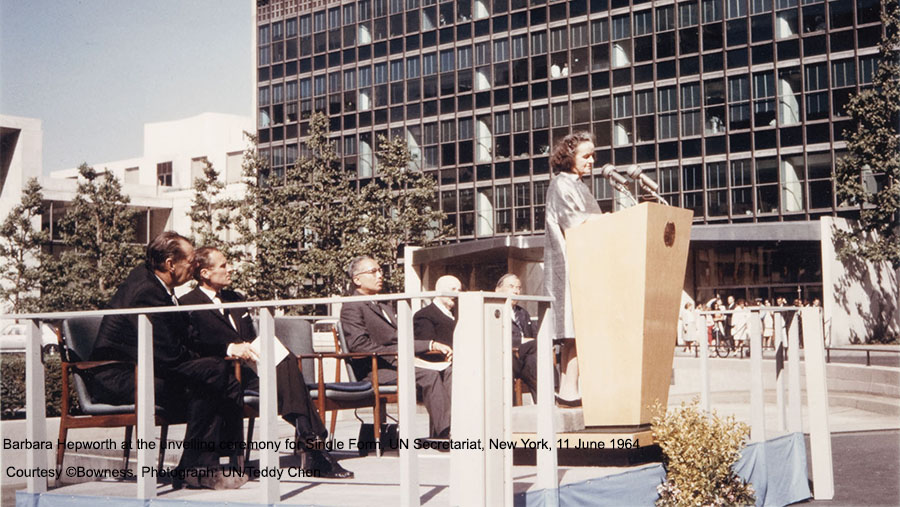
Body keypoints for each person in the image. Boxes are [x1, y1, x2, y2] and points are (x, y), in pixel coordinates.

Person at [89, 231, 247, 490]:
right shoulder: (146, 291)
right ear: (170, 264)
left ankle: (201, 467)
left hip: (145, 369)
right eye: (192, 260)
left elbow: (183, 341)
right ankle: (195, 469)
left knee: (223, 380)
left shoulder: (157, 284)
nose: (195, 266)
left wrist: (217, 353)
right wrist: (209, 359)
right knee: (214, 375)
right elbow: (170, 353)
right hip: (120, 377)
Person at [179, 247, 352, 479]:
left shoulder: (236, 299)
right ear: (205, 273)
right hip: (223, 375)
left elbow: (250, 336)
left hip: (250, 370)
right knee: (292, 383)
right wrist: (230, 349)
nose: (230, 269)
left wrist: (253, 348)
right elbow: (193, 346)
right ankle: (313, 447)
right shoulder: (187, 304)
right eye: (223, 266)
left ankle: (308, 438)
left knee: (285, 359)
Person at [339, 255, 453, 438]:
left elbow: (399, 338)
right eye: (373, 272)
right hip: (377, 368)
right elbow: (359, 345)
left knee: (449, 370)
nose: (380, 275)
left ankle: (442, 429)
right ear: (357, 279)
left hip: (399, 362)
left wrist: (431, 344)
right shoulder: (352, 307)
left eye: (380, 270)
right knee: (429, 375)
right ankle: (447, 433)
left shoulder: (385, 304)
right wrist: (397, 353)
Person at [543, 131, 604, 406]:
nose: (592, 161)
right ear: (569, 157)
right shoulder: (561, 184)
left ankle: (570, 388)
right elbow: (573, 222)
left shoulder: (579, 184)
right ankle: (569, 389)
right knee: (574, 332)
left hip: (585, 265)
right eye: (586, 155)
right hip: (569, 266)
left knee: (577, 335)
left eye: (593, 155)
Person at [495, 273, 542, 400]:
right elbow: (495, 338)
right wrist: (522, 340)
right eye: (511, 287)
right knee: (538, 348)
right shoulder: (495, 312)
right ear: (498, 290)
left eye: (518, 287)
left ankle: (545, 400)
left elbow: (534, 335)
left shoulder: (522, 313)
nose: (516, 291)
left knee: (536, 363)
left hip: (525, 360)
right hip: (506, 358)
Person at [413, 275, 462, 349]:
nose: (456, 294)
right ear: (438, 290)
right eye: (453, 289)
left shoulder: (458, 314)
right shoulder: (424, 316)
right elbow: (426, 348)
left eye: (459, 290)